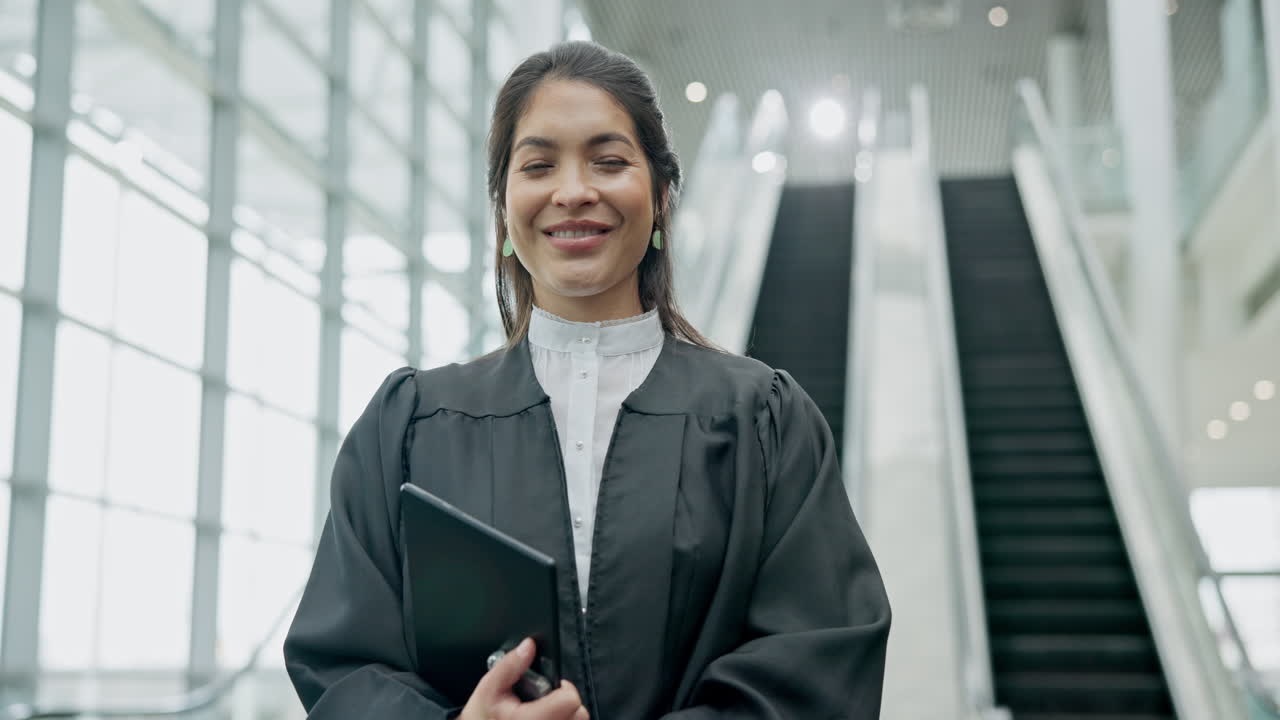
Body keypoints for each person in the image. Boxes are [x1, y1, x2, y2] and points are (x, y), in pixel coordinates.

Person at [284, 41, 890, 719]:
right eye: (539, 165)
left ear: (661, 197)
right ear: (505, 209)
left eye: (609, 161)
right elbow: (342, 662)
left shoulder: (765, 422)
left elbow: (817, 661)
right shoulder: (410, 427)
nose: (573, 191)